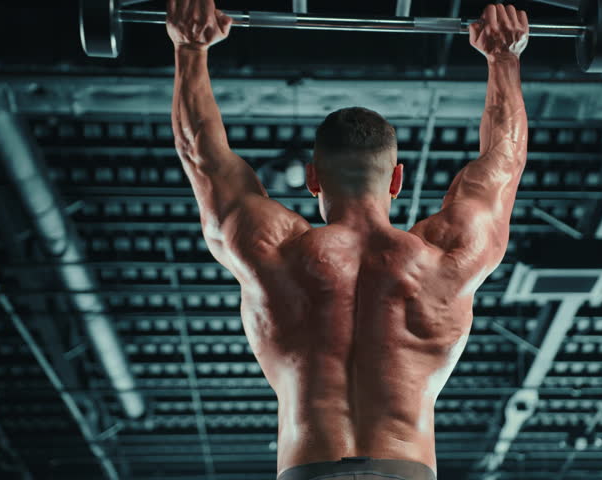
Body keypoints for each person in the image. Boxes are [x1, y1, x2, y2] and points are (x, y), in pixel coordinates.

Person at [167, 0, 529, 478]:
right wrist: (503, 58)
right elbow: (503, 164)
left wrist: (190, 48)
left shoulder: (272, 251)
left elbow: (202, 154)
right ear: (397, 179)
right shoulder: (446, 257)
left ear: (313, 178)